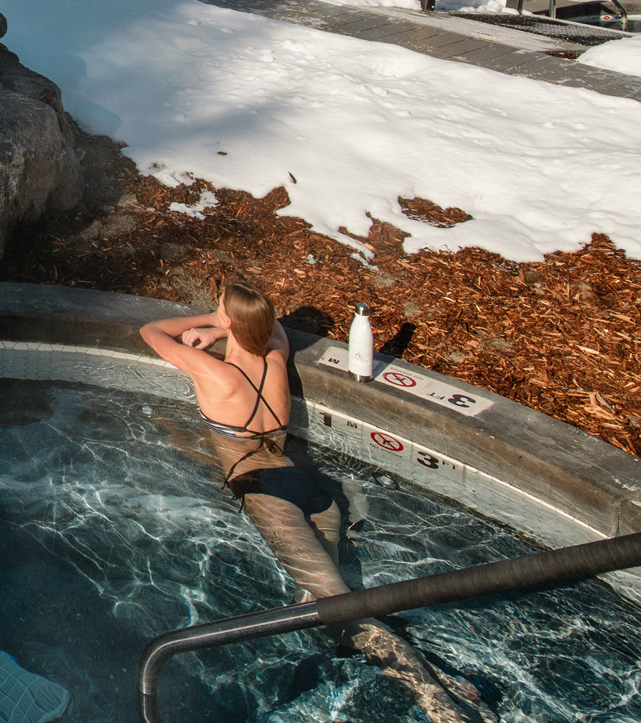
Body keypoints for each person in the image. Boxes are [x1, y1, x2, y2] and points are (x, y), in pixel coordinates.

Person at [142, 282, 494, 723]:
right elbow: (276, 334)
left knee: (336, 608)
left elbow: (152, 331)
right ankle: (431, 673)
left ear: (230, 322)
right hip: (311, 490)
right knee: (321, 601)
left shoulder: (217, 375)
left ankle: (430, 695)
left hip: (266, 492)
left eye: (219, 311)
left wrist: (210, 326)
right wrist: (225, 327)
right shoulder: (275, 358)